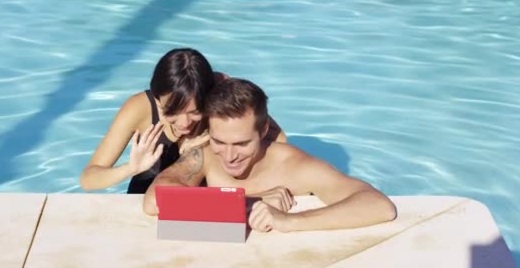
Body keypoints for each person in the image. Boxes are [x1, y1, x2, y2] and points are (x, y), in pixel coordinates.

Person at [143, 78, 397, 232]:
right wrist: (249, 203)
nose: (229, 156)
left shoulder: (294, 166)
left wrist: (289, 221)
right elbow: (155, 201)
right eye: (220, 141)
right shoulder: (206, 156)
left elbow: (379, 206)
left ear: (264, 130)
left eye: (241, 143)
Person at [80, 48, 286, 194]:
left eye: (195, 112)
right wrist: (130, 168)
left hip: (209, 198)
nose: (184, 123)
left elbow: (278, 139)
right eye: (171, 112)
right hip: (148, 199)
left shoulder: (220, 90)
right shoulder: (139, 108)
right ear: (157, 97)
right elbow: (89, 179)